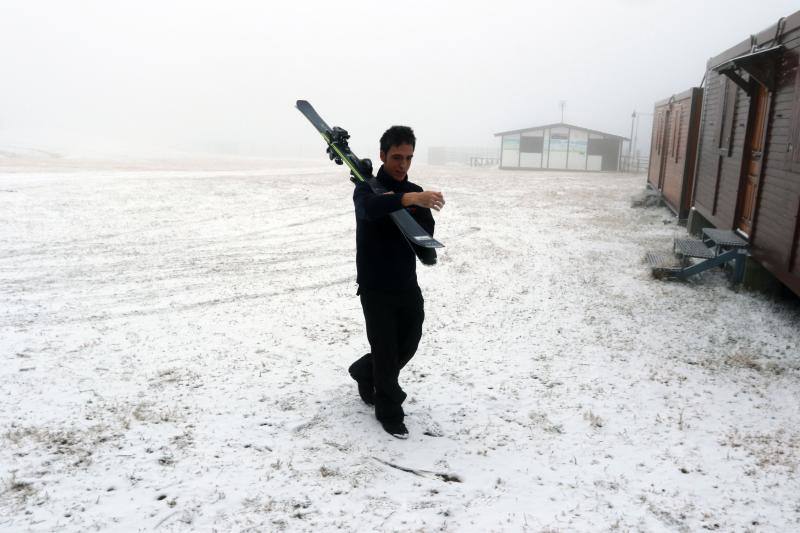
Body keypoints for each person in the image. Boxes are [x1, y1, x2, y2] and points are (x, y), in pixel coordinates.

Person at [347, 125, 445, 439]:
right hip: (375, 286)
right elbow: (370, 210)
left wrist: (421, 207)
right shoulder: (367, 188)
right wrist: (409, 198)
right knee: (386, 350)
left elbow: (424, 236)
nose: (402, 164)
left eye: (408, 158)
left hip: (406, 284)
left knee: (408, 341)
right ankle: (389, 410)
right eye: (396, 157)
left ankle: (365, 371)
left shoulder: (414, 191)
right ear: (382, 155)